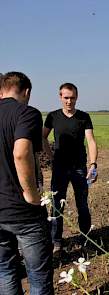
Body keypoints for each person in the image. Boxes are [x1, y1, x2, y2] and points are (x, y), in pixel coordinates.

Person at [0, 72, 53, 294]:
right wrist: (31, 194)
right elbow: (21, 154)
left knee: (5, 270)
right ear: (27, 92)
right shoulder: (27, 113)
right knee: (38, 275)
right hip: (23, 212)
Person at [43, 83, 98, 253]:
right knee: (56, 205)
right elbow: (42, 137)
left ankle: (85, 238)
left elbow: (90, 141)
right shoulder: (52, 116)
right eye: (66, 97)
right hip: (60, 168)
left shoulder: (83, 117)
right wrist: (51, 158)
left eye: (72, 97)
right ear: (60, 97)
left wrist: (93, 164)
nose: (69, 101)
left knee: (82, 204)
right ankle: (56, 241)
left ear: (77, 97)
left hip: (79, 168)